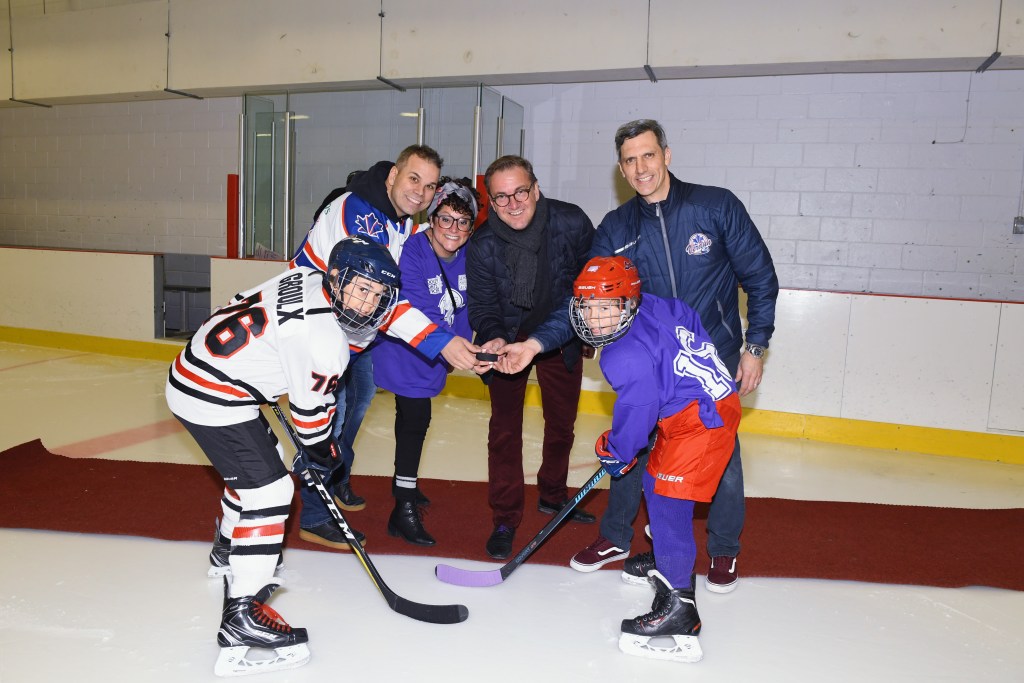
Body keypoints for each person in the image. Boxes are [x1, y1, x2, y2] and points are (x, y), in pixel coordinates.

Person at [502, 119, 778, 592]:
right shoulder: (616, 228)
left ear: (666, 155)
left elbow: (760, 277)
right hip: (652, 360)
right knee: (632, 447)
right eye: (630, 160)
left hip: (710, 357)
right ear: (621, 169)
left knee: (721, 453)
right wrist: (535, 343)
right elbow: (589, 300)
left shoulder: (715, 206)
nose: (640, 167)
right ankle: (616, 536)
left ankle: (723, 549)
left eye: (648, 155)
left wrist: (755, 346)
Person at [166, 237, 401, 676]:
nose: (368, 303)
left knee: (264, 464)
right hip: (213, 395)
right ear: (337, 278)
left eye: (377, 294)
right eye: (360, 288)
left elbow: (240, 303)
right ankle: (242, 618)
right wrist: (326, 455)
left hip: (205, 373)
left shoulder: (306, 277)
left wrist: (261, 369)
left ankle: (227, 551)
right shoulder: (326, 342)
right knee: (271, 491)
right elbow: (310, 417)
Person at [289, 145, 482, 548]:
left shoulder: (399, 221)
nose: (421, 192)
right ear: (393, 176)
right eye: (414, 179)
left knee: (357, 405)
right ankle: (314, 513)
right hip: (320, 331)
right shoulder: (358, 214)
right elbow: (374, 297)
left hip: (357, 336)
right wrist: (439, 341)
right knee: (328, 422)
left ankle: (336, 479)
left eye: (430, 186)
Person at [569, 255, 741, 663]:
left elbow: (636, 415)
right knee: (655, 481)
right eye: (587, 306)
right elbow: (690, 322)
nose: (595, 319)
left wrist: (615, 451)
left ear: (628, 304)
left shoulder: (620, 356)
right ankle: (668, 555)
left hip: (699, 420)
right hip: (707, 401)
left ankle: (679, 610)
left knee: (667, 503)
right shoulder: (661, 304)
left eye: (606, 308)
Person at [466, 155, 597, 560]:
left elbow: (585, 285)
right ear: (491, 201)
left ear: (536, 189)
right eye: (501, 197)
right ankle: (505, 517)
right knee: (504, 430)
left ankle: (553, 495)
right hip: (508, 337)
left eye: (520, 191)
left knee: (562, 423)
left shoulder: (571, 222)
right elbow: (484, 305)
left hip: (558, 334)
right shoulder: (483, 243)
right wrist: (495, 338)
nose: (513, 203)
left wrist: (579, 332)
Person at [371, 177, 480, 545]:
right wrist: (458, 350)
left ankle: (406, 485)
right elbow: (421, 307)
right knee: (415, 419)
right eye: (446, 218)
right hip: (404, 351)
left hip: (438, 355)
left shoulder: (468, 256)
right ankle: (401, 508)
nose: (454, 228)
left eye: (463, 222)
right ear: (432, 218)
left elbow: (468, 308)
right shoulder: (413, 251)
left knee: (415, 419)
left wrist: (468, 347)